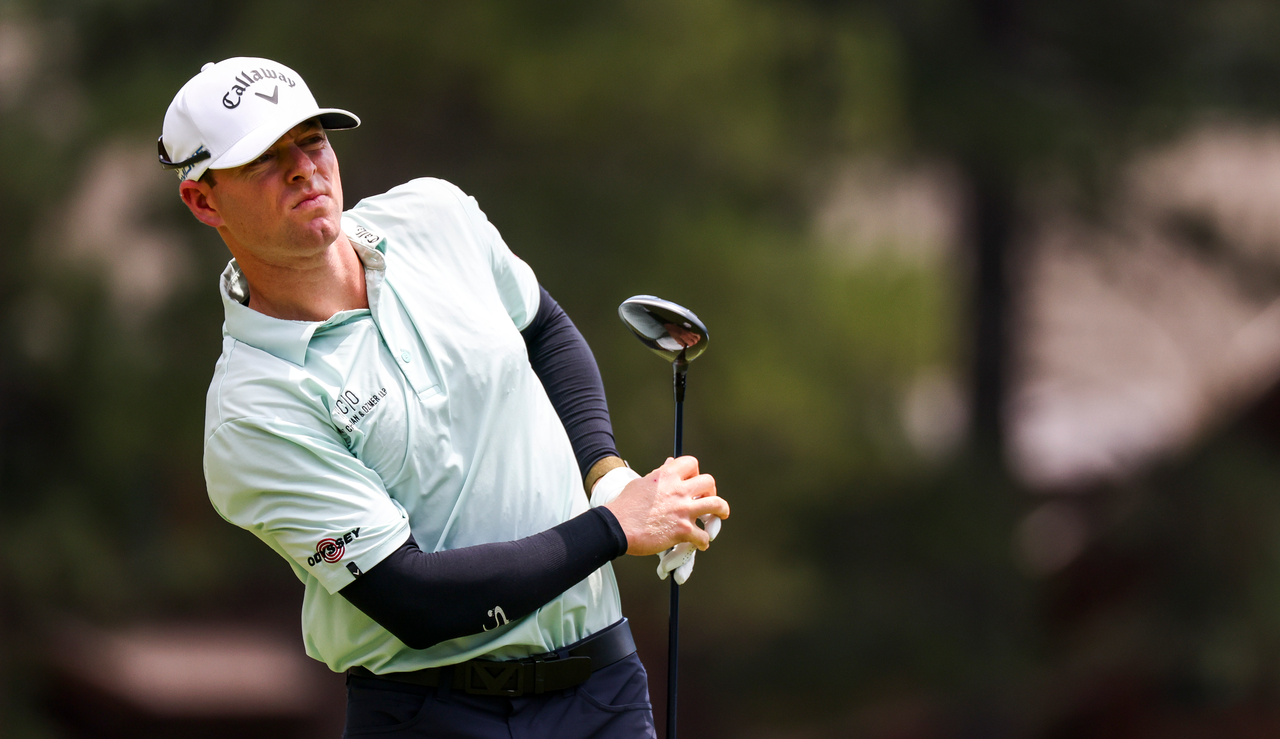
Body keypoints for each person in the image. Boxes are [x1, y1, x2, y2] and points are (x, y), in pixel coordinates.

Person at [159, 57, 729, 738]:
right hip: (427, 715)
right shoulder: (252, 411)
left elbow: (542, 326)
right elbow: (413, 597)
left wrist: (608, 476)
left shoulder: (436, 217)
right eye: (262, 159)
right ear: (203, 200)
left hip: (600, 689)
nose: (303, 168)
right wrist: (615, 527)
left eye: (311, 140)